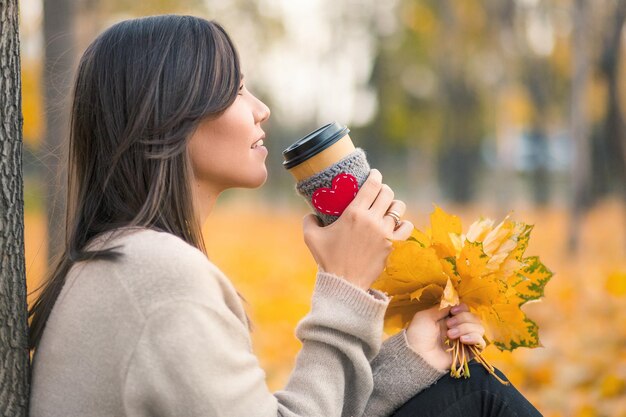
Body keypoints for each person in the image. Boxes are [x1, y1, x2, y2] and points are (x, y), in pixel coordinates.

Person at [27, 15, 542, 417]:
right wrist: (345, 285)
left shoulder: (124, 261)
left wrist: (411, 359)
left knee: (463, 384)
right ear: (170, 113)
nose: (260, 109)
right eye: (235, 89)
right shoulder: (157, 277)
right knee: (480, 400)